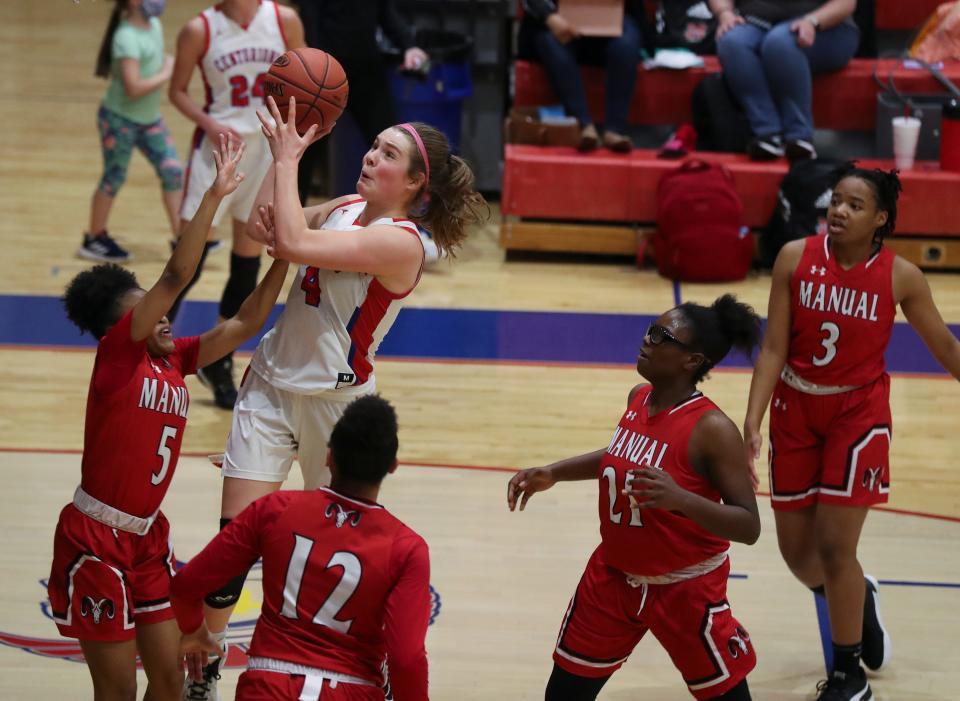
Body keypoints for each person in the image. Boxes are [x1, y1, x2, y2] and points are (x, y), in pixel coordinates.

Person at [180, 96, 486, 700]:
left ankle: (355, 664)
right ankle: (208, 661)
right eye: (373, 146)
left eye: (389, 154)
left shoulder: (403, 242)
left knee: (334, 547)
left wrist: (293, 158)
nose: (371, 156)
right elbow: (268, 224)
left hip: (336, 408)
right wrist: (277, 160)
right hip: (270, 386)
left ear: (417, 183)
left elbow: (291, 242)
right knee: (233, 540)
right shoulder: (346, 207)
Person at [48, 135, 291, 701]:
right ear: (120, 326)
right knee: (117, 694)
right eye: (149, 311)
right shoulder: (118, 356)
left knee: (169, 682)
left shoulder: (175, 358)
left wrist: (286, 256)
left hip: (146, 538)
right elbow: (178, 274)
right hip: (97, 540)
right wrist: (213, 196)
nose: (164, 319)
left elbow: (244, 323)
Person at [743, 166, 960, 700]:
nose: (839, 211)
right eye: (836, 200)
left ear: (880, 218)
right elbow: (773, 347)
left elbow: (946, 347)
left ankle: (849, 674)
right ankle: (856, 596)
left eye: (854, 205)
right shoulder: (794, 257)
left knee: (837, 547)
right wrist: (753, 417)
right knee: (799, 556)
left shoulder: (901, 275)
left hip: (857, 419)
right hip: (796, 410)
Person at [508, 295, 763, 701]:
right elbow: (618, 456)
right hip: (612, 580)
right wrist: (554, 472)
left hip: (686, 591)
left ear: (691, 361)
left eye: (663, 336)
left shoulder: (713, 429)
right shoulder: (638, 398)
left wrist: (680, 498)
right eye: (650, 329)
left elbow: (749, 526)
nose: (647, 339)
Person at [171, 395, 430, 701]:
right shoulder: (407, 548)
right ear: (392, 466)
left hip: (268, 685)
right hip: (353, 688)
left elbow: (186, 587)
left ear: (328, 457)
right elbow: (406, 659)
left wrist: (194, 630)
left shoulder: (274, 510)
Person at [167, 0, 305, 409]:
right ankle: (147, 346)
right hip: (217, 151)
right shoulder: (200, 29)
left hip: (266, 150)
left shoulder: (284, 20)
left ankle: (219, 360)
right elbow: (176, 91)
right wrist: (209, 123)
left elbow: (306, 78)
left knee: (247, 261)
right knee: (186, 260)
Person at [292, 0, 428, 202]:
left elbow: (386, 12)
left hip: (366, 68)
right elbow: (310, 21)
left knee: (394, 142)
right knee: (307, 148)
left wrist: (408, 46)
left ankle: (399, 218)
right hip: (326, 73)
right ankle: (289, 220)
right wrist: (318, 69)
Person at [81, 0, 183, 263]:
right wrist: (167, 72)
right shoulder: (126, 37)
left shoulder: (154, 25)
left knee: (172, 171)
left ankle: (181, 239)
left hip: (149, 120)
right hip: (119, 120)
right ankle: (94, 238)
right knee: (114, 177)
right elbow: (133, 88)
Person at [709, 0, 859, 161]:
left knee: (780, 42)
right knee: (732, 41)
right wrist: (724, 13)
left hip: (824, 25)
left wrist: (812, 21)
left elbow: (846, 3)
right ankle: (767, 133)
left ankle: (799, 136)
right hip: (757, 20)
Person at [518, 0, 644, 152]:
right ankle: (583, 125)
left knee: (626, 43)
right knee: (550, 42)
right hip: (554, 21)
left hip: (610, 19)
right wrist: (549, 16)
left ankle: (614, 130)